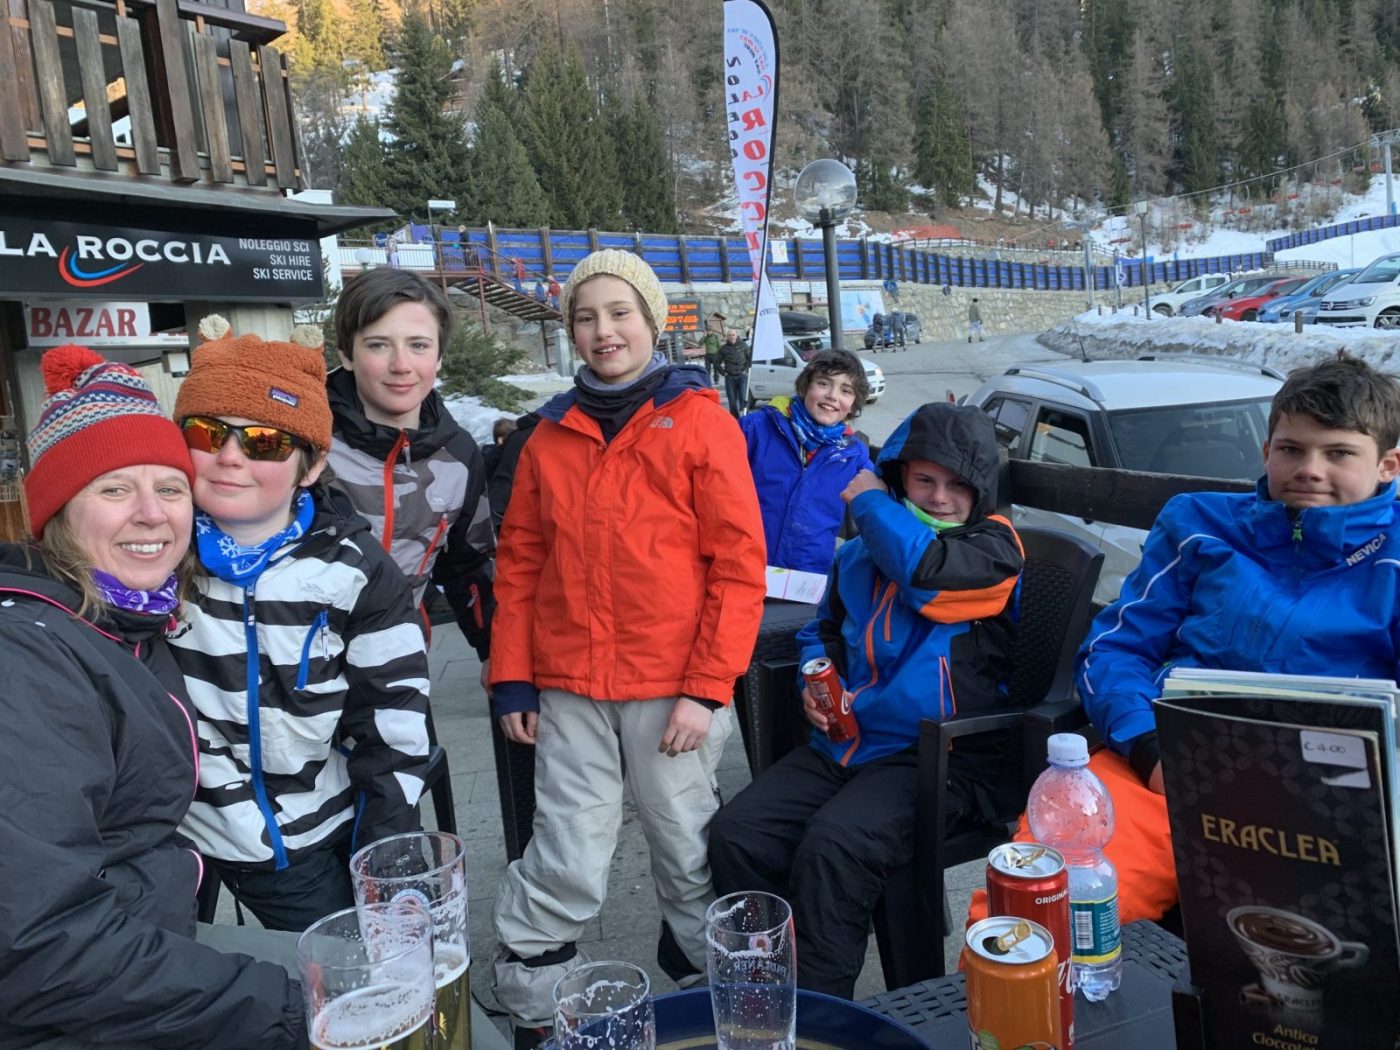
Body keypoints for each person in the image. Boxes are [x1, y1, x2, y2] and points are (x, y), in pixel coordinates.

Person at [972, 352, 1400, 928]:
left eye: (1339, 453)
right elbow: (1116, 649)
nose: (1310, 470)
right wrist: (1148, 746)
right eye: (1291, 449)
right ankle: (1010, 1015)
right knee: (1041, 905)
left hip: (1342, 798)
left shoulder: (1391, 559)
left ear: (1388, 466)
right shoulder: (1200, 525)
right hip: (1176, 767)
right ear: (1267, 451)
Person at [488, 249, 767, 1048]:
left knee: (684, 843)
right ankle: (533, 992)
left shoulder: (701, 421)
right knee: (570, 844)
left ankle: (707, 983)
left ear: (651, 321)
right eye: (585, 315)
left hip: (670, 688)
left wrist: (706, 687)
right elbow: (522, 563)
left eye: (619, 313)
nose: (603, 330)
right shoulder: (548, 434)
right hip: (569, 683)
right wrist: (511, 677)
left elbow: (739, 566)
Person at [0, 345, 305, 1047]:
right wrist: (286, 1009)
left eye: (169, 488)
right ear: (57, 512)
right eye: (112, 489)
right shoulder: (28, 657)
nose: (150, 514)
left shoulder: (121, 621)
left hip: (139, 952)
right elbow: (41, 943)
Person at [708, 402, 1024, 998]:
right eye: (923, 479)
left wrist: (869, 499)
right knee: (737, 832)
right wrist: (812, 678)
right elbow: (820, 630)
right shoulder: (859, 554)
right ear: (901, 473)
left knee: (836, 847)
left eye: (958, 484)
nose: (938, 497)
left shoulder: (993, 549)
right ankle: (765, 984)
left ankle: (823, 1014)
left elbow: (928, 576)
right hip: (848, 742)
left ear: (982, 489)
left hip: (940, 756)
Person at [169, 317, 431, 933]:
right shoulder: (155, 554)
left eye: (264, 442)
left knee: (351, 985)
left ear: (309, 468)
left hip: (319, 832)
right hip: (191, 837)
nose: (231, 456)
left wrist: (386, 858)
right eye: (209, 433)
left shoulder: (356, 571)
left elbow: (392, 722)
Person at [327, 267, 496, 657]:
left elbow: (468, 568)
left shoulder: (460, 454)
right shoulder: (306, 441)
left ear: (438, 357)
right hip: (298, 679)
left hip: (398, 671)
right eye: (378, 345)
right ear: (346, 354)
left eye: (418, 345)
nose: (401, 365)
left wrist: (496, 657)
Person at [740, 349, 874, 574]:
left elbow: (878, 506)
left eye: (846, 390)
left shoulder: (853, 455)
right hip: (745, 567)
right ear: (805, 386)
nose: (832, 395)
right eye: (823, 383)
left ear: (853, 404)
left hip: (808, 577)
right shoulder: (755, 428)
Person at [717, 327, 752, 419]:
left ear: (736, 336)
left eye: (733, 335)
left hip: (742, 376)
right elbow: (717, 363)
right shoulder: (723, 348)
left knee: (743, 399)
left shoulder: (744, 345)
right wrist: (723, 373)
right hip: (730, 378)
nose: (731, 337)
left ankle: (746, 418)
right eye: (729, 335)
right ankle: (735, 420)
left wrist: (746, 370)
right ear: (727, 337)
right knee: (732, 401)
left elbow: (750, 360)